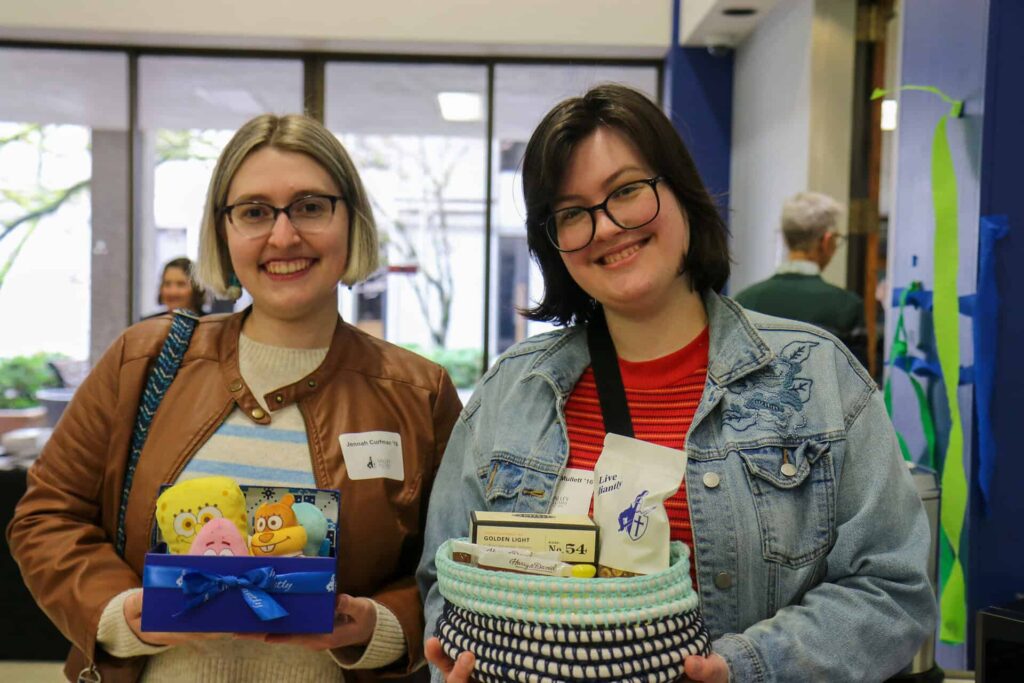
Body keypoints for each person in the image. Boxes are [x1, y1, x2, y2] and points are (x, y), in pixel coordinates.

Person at [416, 84, 935, 682]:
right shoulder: (511, 394)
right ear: (554, 243)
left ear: (680, 192)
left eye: (627, 191)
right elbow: (445, 579)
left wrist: (746, 667)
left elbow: (891, 588)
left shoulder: (815, 377)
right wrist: (460, 665)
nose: (607, 228)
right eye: (572, 213)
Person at [8, 113, 462, 682]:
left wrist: (375, 626)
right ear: (223, 230)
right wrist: (123, 613)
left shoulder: (417, 394)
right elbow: (48, 516)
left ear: (351, 220)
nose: (283, 236)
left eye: (311, 206)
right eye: (254, 212)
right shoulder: (142, 361)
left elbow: (454, 569)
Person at [734, 191, 867, 364]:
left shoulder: (744, 301)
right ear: (826, 241)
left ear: (786, 238)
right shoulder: (847, 306)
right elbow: (859, 384)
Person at [143, 256, 207, 319]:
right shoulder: (147, 325)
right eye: (167, 284)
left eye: (181, 284)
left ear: (197, 288)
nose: (172, 292)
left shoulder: (210, 324)